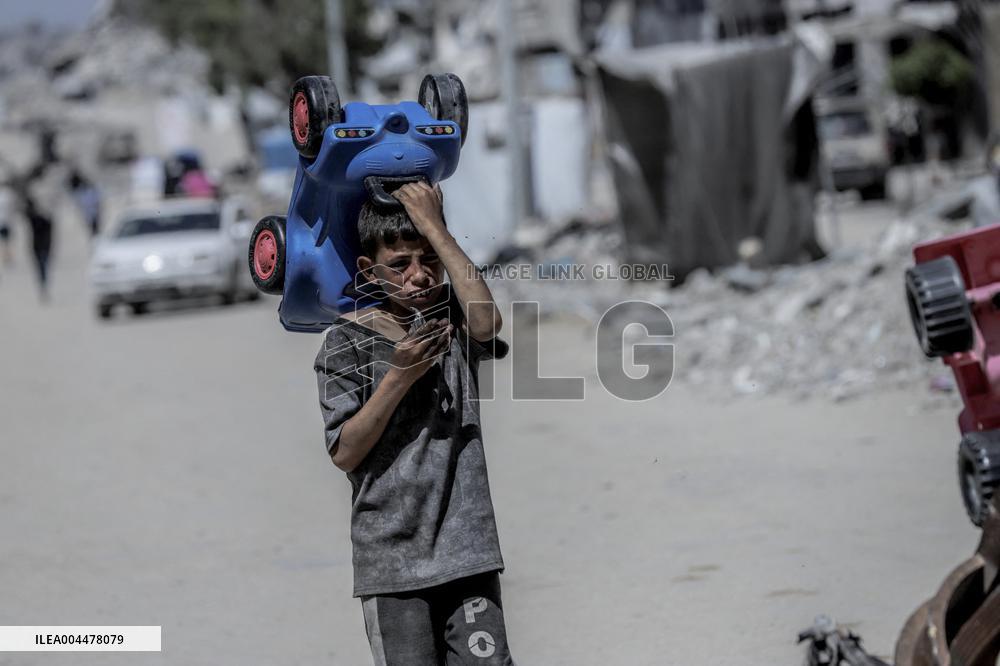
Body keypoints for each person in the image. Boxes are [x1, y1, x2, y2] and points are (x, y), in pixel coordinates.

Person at [314, 181, 514, 665]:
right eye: (400, 265)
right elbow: (345, 451)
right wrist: (399, 376)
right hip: (393, 561)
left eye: (429, 260)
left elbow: (488, 324)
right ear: (369, 270)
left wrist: (431, 222)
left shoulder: (454, 318)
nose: (419, 276)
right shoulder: (345, 345)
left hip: (467, 549)